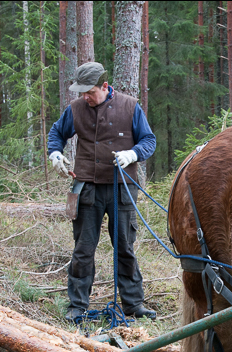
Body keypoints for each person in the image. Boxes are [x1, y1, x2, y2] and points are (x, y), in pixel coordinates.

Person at [47, 61, 158, 323]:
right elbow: (56, 133)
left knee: (125, 248)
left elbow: (148, 140)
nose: (85, 97)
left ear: (105, 86)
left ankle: (133, 305)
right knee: (83, 249)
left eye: (90, 92)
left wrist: (133, 154)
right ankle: (77, 306)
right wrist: (55, 153)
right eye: (82, 92)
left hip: (122, 188)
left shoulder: (130, 106)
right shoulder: (75, 109)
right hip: (87, 188)